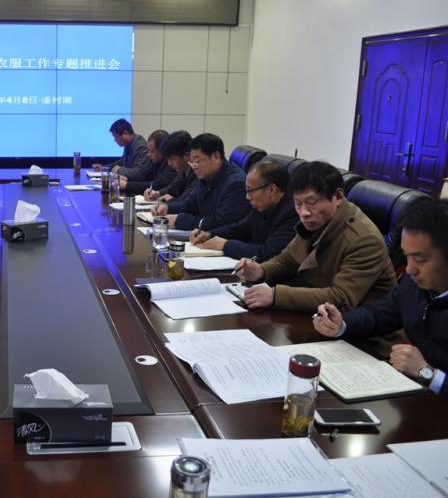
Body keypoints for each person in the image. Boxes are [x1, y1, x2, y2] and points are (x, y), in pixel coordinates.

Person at [313, 197, 448, 398]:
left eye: (420, 259)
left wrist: (428, 373)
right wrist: (342, 324)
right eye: (406, 256)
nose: (409, 269)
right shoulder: (414, 284)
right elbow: (380, 313)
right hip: (413, 396)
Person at [236, 160, 396, 312]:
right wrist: (260, 271)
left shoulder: (364, 239)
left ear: (338, 197)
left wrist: (275, 296)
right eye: (298, 203)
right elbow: (287, 260)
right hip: (318, 314)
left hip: (359, 326)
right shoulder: (318, 221)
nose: (304, 213)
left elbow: (341, 297)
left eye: (311, 203)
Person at [189, 159, 297, 262]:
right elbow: (240, 228)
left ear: (271, 190)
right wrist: (210, 234)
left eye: (250, 191)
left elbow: (268, 253)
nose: (247, 197)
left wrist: (226, 245)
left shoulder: (293, 213)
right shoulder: (263, 205)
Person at [152, 133, 250, 230]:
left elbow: (220, 222)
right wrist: (167, 208)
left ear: (216, 156)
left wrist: (180, 220)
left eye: (197, 161)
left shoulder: (236, 184)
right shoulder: (206, 177)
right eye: (192, 161)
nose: (194, 166)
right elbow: (189, 204)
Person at [144, 130, 196, 202]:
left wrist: (172, 201)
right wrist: (157, 193)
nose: (169, 163)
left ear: (186, 156)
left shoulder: (197, 173)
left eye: (172, 159)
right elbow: (172, 188)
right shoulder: (183, 170)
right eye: (168, 159)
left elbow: (188, 201)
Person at [117, 130, 173, 195]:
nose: (148, 154)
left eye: (152, 151)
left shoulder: (171, 165)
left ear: (163, 151)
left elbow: (156, 185)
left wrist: (126, 185)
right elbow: (143, 175)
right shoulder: (153, 160)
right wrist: (126, 179)